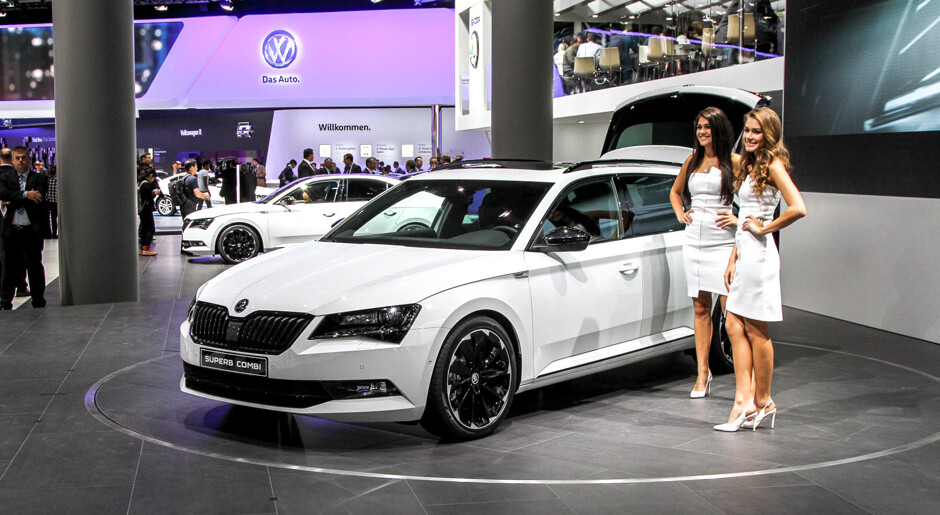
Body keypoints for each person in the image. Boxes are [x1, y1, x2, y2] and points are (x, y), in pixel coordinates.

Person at [714, 108, 805, 432]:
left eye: (757, 131)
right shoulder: (749, 164)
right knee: (733, 324)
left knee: (755, 329)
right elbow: (744, 216)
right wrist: (733, 259)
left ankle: (763, 400)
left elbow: (798, 207)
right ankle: (745, 401)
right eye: (748, 131)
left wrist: (766, 228)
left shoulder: (774, 165)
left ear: (769, 135)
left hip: (761, 256)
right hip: (745, 254)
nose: (750, 136)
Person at [669, 107, 738, 399]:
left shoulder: (734, 162)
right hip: (694, 241)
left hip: (722, 242)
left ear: (718, 129)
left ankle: (745, 379)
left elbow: (754, 198)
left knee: (731, 313)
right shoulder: (692, 160)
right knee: (699, 308)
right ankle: (702, 373)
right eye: (698, 127)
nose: (702, 132)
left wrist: (738, 218)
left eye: (707, 127)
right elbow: (675, 192)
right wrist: (681, 213)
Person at [0, 146, 49, 309]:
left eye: (24, 157)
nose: (21, 161)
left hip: (31, 231)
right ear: (12, 160)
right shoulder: (5, 178)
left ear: (29, 159)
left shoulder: (39, 178)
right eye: (18, 158)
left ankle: (38, 301)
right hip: (11, 231)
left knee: (35, 267)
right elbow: (3, 194)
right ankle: (5, 302)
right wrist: (26, 194)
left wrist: (13, 199)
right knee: (9, 268)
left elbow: (39, 197)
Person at [138, 168, 158, 256]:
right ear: (151, 175)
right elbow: (149, 197)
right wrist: (154, 194)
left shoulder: (141, 183)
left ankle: (143, 248)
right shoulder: (146, 185)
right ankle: (146, 248)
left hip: (142, 209)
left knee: (144, 227)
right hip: (146, 209)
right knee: (150, 228)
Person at [46, 165, 58, 238]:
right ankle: (54, 233)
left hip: (48, 201)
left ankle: (48, 233)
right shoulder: (57, 181)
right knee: (54, 219)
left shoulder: (47, 181)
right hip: (55, 202)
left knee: (48, 219)